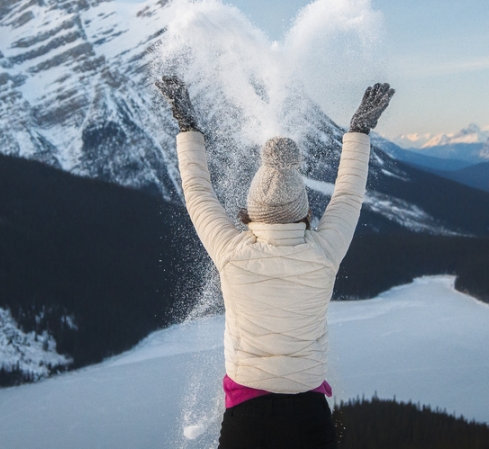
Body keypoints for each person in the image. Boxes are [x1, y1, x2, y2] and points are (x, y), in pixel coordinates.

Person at [157, 77, 395, 449]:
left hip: (247, 419)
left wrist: (188, 128)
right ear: (304, 212)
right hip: (309, 418)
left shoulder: (232, 253)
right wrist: (359, 130)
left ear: (251, 211)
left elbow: (198, 192)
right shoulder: (323, 252)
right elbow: (348, 193)